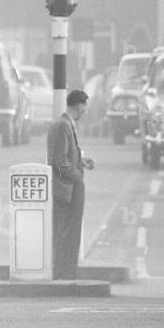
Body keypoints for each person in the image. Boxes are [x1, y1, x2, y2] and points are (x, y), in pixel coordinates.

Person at [47, 90, 95, 280]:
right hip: (66, 190)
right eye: (85, 107)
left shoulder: (67, 124)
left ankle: (67, 271)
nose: (85, 111)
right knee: (67, 231)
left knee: (71, 231)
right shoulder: (62, 126)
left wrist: (82, 161)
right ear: (79, 106)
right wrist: (77, 177)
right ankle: (63, 272)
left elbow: (67, 154)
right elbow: (58, 160)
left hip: (71, 186)